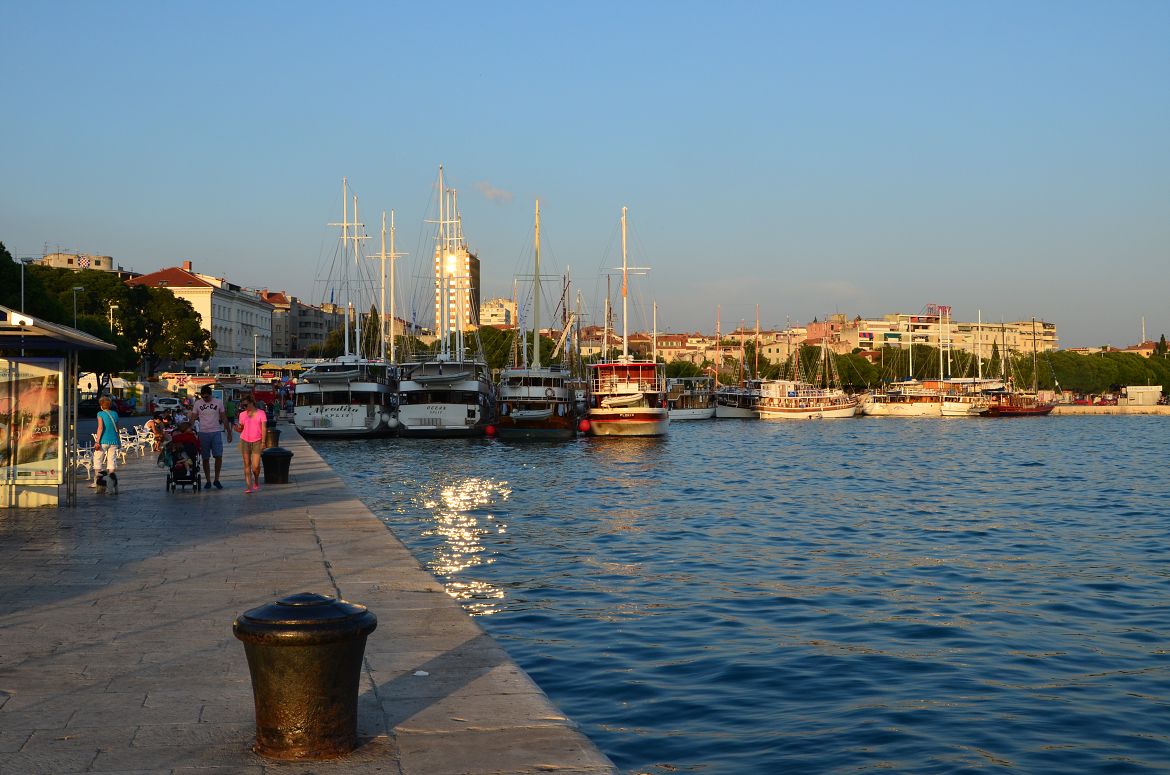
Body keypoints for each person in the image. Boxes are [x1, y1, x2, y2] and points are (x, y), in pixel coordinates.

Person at [193, 385, 232, 489]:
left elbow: (224, 417)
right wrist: (188, 429)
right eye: (203, 397)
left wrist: (229, 432)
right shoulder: (197, 403)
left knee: (218, 456)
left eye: (206, 397)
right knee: (205, 458)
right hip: (203, 433)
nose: (205, 399)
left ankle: (216, 479)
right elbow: (193, 417)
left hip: (216, 432)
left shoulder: (218, 402)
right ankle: (208, 481)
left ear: (211, 395)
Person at [233, 396, 267, 494]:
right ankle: (249, 486)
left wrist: (263, 442)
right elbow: (242, 428)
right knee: (246, 464)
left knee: (255, 466)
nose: (244, 407)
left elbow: (264, 428)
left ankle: (256, 480)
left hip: (257, 441)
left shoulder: (261, 413)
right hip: (244, 440)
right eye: (242, 405)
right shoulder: (242, 414)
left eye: (245, 405)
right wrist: (237, 429)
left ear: (252, 403)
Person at [92, 396, 122, 494]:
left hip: (103, 441)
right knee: (111, 461)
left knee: (98, 460)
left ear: (101, 405)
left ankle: (97, 483)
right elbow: (117, 429)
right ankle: (111, 481)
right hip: (114, 441)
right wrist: (119, 440)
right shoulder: (115, 414)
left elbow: (100, 428)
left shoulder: (100, 414)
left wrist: (97, 441)